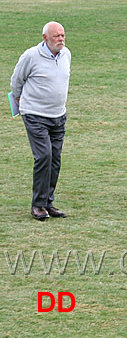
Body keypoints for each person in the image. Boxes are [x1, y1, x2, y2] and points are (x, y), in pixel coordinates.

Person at [10, 22, 72, 221]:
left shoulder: (66, 54)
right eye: (56, 36)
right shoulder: (31, 56)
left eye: (62, 35)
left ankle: (48, 203)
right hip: (35, 114)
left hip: (58, 115)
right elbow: (17, 80)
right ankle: (37, 205)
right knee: (43, 155)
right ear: (45, 38)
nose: (60, 39)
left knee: (54, 159)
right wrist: (19, 101)